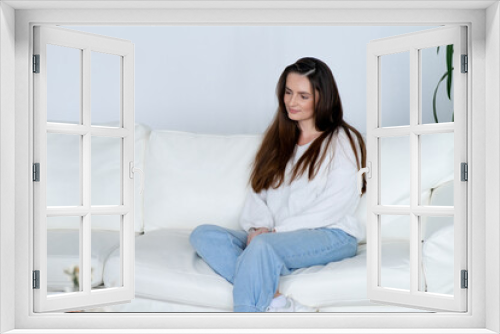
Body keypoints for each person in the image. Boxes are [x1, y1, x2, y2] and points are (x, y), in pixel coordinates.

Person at [189, 57, 367, 313]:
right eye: (288, 92)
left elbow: (337, 204)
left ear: (323, 97)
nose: (292, 102)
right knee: (204, 235)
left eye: (303, 96)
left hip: (332, 233)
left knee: (262, 247)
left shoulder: (342, 139)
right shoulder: (279, 138)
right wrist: (259, 227)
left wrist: (275, 233)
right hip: (275, 237)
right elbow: (258, 190)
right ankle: (276, 300)